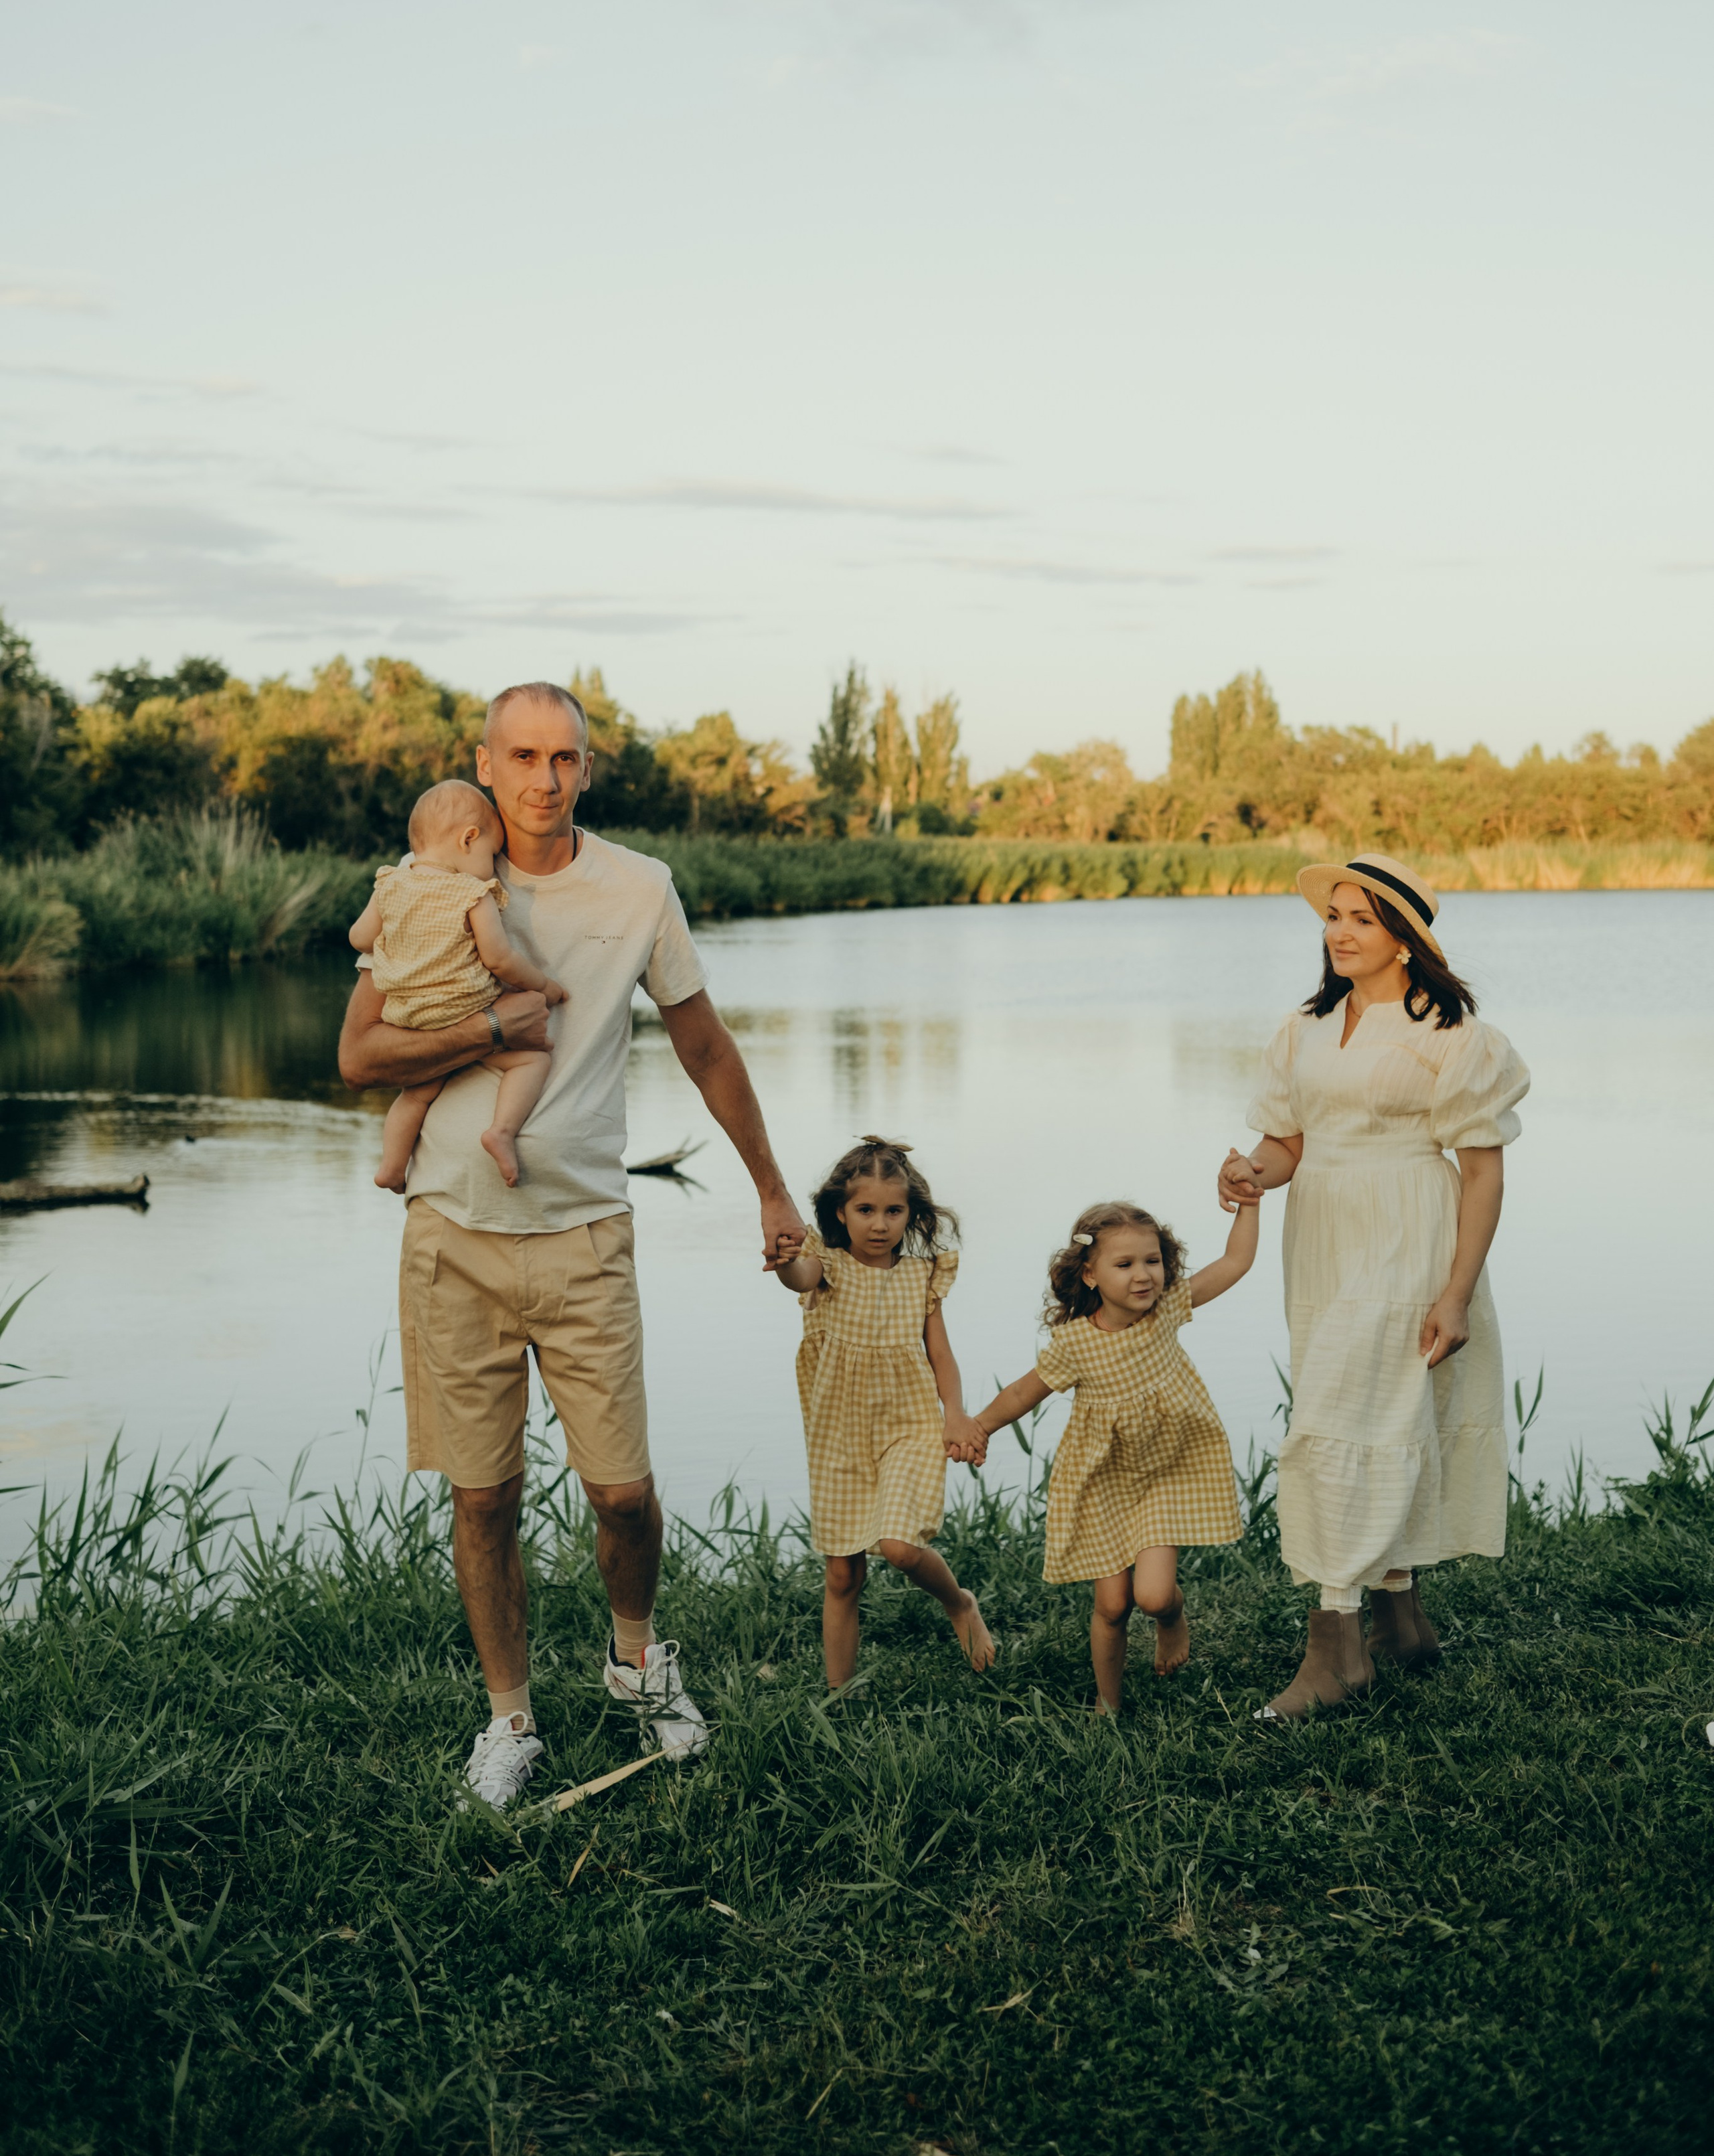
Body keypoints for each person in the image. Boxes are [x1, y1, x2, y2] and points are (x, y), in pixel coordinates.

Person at [337, 681, 805, 1808]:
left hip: (587, 1237)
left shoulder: (639, 888)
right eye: (524, 757)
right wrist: (489, 1026)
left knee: (623, 1497)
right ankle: (510, 1723)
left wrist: (774, 1195)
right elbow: (358, 1055)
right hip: (452, 1238)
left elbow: (705, 1045)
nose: (544, 779)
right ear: (486, 767)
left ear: (586, 769)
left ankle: (637, 1661)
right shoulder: (434, 879)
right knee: (482, 1499)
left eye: (565, 758)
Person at [1218, 853, 1529, 1723]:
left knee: (1345, 1419)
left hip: (1409, 1233)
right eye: (1332, 916)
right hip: (1320, 1237)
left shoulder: (1452, 1034)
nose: (1340, 931)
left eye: (1361, 918)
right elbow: (1289, 1143)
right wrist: (1249, 1172)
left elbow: (1483, 1176)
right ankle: (1402, 1616)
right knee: (1368, 1412)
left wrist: (1457, 1293)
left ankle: (1333, 1647)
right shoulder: (1307, 1029)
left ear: (1404, 939)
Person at [971, 1197, 1256, 1712]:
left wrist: (1249, 1206)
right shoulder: (1075, 1343)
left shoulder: (1168, 1310)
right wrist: (979, 1428)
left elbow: (1235, 1263)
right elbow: (1021, 1393)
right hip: (1104, 1482)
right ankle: (1109, 1703)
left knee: (1152, 1596)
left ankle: (1171, 1620)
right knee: (1112, 1604)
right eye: (1124, 1265)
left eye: (1153, 1260)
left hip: (1168, 1471)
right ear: (1091, 1274)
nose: (1143, 1276)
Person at [770, 1136, 998, 1688]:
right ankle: (838, 1696)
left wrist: (957, 1415)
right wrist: (783, 1261)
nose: (879, 1224)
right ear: (840, 1213)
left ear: (912, 1215)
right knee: (844, 1573)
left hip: (910, 1424)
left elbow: (940, 1355)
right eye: (865, 1210)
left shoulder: (922, 1276)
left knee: (898, 1548)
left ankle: (959, 1601)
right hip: (839, 1433)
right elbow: (797, 1278)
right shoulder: (826, 1266)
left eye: (894, 1211)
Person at [347, 779, 568, 1193]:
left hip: (407, 1017)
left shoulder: (390, 883)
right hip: (464, 1008)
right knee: (532, 1061)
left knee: (415, 1096)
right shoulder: (472, 892)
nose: (494, 864)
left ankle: (392, 1168)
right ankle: (501, 1131)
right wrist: (546, 989)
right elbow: (499, 959)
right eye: (491, 853)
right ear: (469, 839)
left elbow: (359, 938)